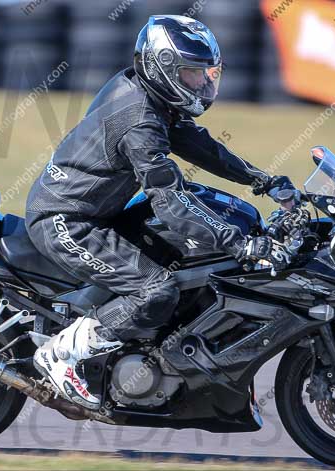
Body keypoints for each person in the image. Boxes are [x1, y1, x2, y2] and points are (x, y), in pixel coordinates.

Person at [25, 15, 299, 410]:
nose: (202, 83)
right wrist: (242, 246)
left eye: (207, 73)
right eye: (191, 74)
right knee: (157, 289)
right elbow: (170, 201)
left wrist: (261, 180)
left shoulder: (150, 96)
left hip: (97, 211)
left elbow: (197, 144)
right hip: (66, 220)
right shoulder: (138, 120)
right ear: (162, 67)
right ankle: (62, 354)